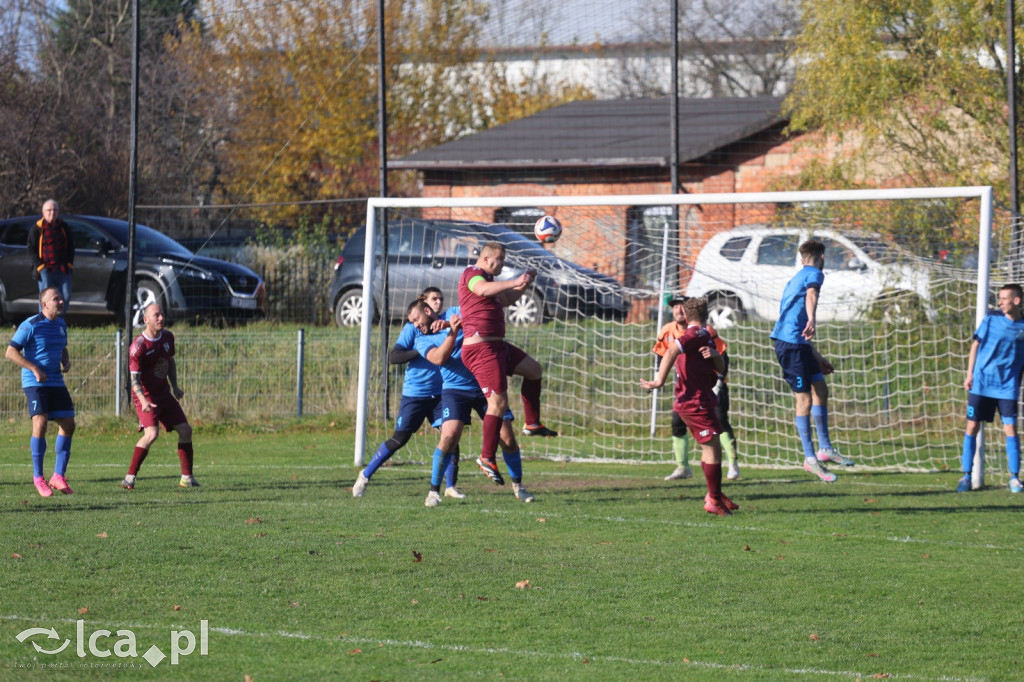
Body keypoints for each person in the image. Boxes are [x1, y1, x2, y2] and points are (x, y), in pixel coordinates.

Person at [409, 299, 534, 506]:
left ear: (426, 310)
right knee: (449, 435)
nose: (414, 324)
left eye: (415, 319)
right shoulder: (420, 339)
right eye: (411, 322)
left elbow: (482, 320)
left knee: (508, 439)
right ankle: (433, 491)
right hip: (454, 390)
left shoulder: (455, 312)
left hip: (485, 383)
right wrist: (452, 332)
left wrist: (452, 323)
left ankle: (518, 486)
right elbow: (439, 358)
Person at [458, 241, 555, 485]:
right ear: (487, 258)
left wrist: (523, 285)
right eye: (500, 259)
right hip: (481, 349)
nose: (503, 263)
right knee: (498, 403)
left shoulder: (491, 282)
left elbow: (507, 298)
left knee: (534, 370)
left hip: (497, 347)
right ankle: (486, 457)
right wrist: (514, 280)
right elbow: (480, 289)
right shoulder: (473, 275)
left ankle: (532, 423)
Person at [353, 288, 464, 499]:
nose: (438, 302)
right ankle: (365, 474)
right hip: (415, 394)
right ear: (425, 306)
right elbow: (394, 356)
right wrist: (422, 351)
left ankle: (450, 486)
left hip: (440, 394)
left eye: (440, 298)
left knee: (450, 436)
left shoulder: (447, 323)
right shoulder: (413, 329)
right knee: (400, 439)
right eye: (433, 299)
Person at [641, 297, 736, 516]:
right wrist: (659, 381)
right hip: (695, 401)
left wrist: (714, 356)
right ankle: (713, 499)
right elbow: (672, 351)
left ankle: (715, 493)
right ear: (707, 312)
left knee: (710, 448)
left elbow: (720, 365)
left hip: (699, 399)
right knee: (713, 449)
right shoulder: (696, 334)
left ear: (685, 312)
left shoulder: (704, 334)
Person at [770, 239, 854, 483]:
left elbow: (794, 324)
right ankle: (809, 459)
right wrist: (813, 319)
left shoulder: (796, 277)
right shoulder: (815, 274)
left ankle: (825, 448)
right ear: (822, 257)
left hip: (798, 344)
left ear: (801, 257)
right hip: (790, 346)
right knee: (804, 399)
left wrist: (817, 356)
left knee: (821, 388)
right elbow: (812, 295)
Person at [5, 287, 76, 497]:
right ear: (44, 304)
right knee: (41, 422)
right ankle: (38, 477)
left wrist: (65, 359)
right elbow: (10, 352)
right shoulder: (30, 325)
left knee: (68, 424)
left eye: (61, 298)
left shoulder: (61, 324)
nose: (61, 302)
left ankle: (58, 476)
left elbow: (61, 345)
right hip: (35, 382)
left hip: (55, 380)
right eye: (56, 299)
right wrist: (34, 368)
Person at [120, 303, 199, 489]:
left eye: (162, 314)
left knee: (186, 430)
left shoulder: (168, 337)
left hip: (164, 394)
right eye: (156, 315)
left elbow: (169, 362)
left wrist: (175, 387)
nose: (161, 318)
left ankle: (187, 478)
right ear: (145, 319)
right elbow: (134, 380)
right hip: (145, 396)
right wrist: (144, 400)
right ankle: (130, 477)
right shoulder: (138, 346)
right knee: (152, 434)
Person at [956, 283, 1024, 493]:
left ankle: (1014, 478)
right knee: (972, 427)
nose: (1000, 302)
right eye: (999, 298)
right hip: (982, 383)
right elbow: (975, 345)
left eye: (1004, 298)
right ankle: (966, 476)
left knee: (1010, 429)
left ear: (1016, 301)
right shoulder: (991, 319)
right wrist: (970, 374)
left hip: (1007, 387)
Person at [28, 199, 74, 312]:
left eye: (54, 210)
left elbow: (71, 246)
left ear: (58, 212)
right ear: (43, 212)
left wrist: (69, 264)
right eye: (49, 210)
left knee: (65, 297)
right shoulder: (37, 228)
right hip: (46, 270)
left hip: (62, 268)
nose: (52, 212)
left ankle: (58, 323)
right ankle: (44, 323)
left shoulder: (63, 227)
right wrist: (40, 266)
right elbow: (31, 248)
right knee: (46, 299)